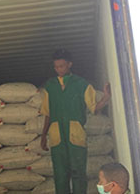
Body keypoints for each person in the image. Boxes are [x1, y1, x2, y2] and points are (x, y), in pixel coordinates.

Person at [40, 49, 111, 194]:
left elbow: (94, 108)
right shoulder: (50, 86)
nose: (59, 69)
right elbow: (47, 113)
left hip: (76, 136)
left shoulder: (81, 84)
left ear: (69, 64)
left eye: (62, 66)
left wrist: (106, 97)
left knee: (79, 174)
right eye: (56, 67)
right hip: (56, 137)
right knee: (60, 176)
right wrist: (43, 136)